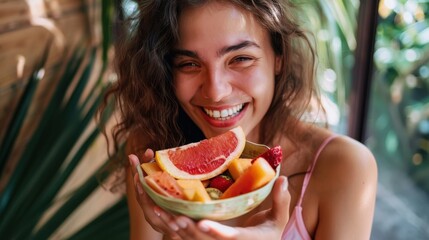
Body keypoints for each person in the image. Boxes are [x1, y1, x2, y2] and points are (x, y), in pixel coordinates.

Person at [100, 0, 378, 239]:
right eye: (189, 64)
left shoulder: (345, 168)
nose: (216, 91)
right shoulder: (153, 151)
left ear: (278, 57)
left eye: (240, 58)